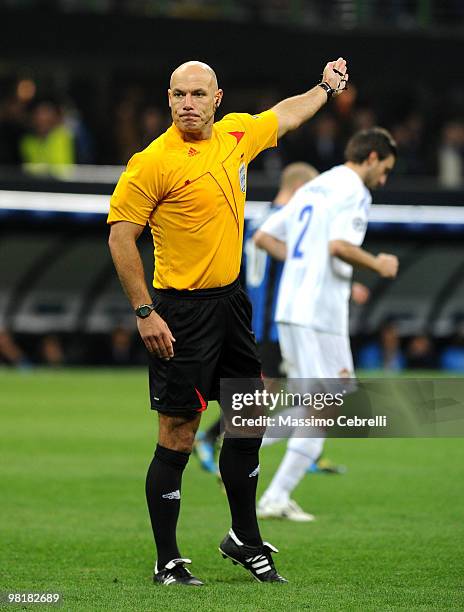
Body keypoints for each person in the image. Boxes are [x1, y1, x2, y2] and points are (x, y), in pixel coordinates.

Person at [107, 58, 349, 586]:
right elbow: (121, 236)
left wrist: (325, 89)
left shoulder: (237, 132)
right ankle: (166, 560)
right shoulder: (152, 162)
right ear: (167, 99)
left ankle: (243, 537)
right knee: (179, 431)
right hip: (179, 312)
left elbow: (284, 116)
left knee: (249, 417)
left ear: (217, 98)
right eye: (177, 94)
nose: (186, 104)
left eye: (196, 94)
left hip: (231, 306)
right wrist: (145, 312)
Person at [254, 127, 399, 521]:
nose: (383, 179)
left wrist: (304, 265)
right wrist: (378, 264)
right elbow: (340, 246)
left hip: (297, 309)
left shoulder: (315, 186)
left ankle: (247, 446)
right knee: (327, 405)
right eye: (384, 169)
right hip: (317, 314)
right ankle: (272, 491)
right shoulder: (353, 190)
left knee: (321, 402)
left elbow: (265, 237)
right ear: (371, 158)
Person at [194, 162, 318, 474]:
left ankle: (306, 450)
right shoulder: (285, 223)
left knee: (283, 390)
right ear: (302, 189)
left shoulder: (258, 219)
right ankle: (213, 439)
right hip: (272, 323)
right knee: (267, 393)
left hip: (254, 316)